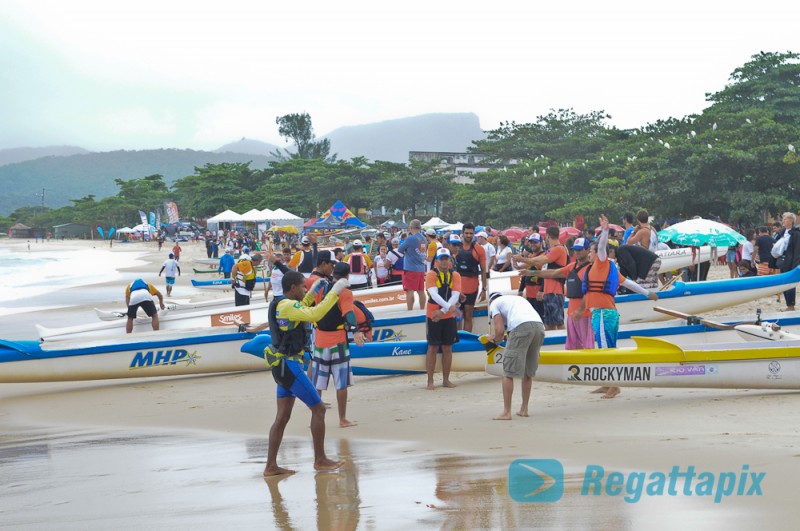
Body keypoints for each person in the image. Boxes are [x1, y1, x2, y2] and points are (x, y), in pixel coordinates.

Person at [240, 271, 348, 476]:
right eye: (303, 287)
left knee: (282, 417)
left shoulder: (282, 303)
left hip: (281, 367)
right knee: (319, 409)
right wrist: (335, 291)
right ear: (292, 288)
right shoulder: (287, 306)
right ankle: (320, 460)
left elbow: (303, 307)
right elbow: (314, 314)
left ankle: (271, 466)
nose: (305, 290)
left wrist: (314, 291)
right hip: (290, 366)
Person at [574, 215, 659, 398]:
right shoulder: (608, 270)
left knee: (605, 350)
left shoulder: (602, 264)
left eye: (591, 251)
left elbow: (602, 246)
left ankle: (614, 386)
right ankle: (607, 384)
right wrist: (647, 293)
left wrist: (604, 231)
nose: (589, 254)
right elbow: (630, 284)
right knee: (608, 348)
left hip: (604, 313)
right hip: (608, 314)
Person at [312, 262, 365, 428]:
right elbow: (348, 312)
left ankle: (315, 418)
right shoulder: (345, 292)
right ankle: (342, 419)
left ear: (333, 274)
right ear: (347, 277)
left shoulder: (321, 288)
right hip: (338, 341)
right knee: (341, 382)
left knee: (317, 383)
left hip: (319, 340)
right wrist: (356, 331)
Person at [487, 292, 545, 420]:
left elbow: (500, 331)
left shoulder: (494, 304)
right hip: (539, 327)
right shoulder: (516, 299)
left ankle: (506, 412)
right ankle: (524, 409)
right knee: (527, 372)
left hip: (522, 326)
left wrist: (495, 340)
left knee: (507, 373)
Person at [533, 237, 595, 349]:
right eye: (575, 250)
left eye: (580, 250)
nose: (577, 252)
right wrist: (531, 272)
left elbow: (590, 293)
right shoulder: (572, 266)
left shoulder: (590, 269)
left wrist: (580, 310)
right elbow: (552, 273)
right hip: (571, 314)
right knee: (572, 347)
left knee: (587, 347)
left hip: (585, 315)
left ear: (587, 250)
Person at [516, 226, 568, 331]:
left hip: (555, 290)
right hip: (549, 291)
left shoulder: (558, 249)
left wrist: (522, 259)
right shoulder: (551, 250)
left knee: (558, 322)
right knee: (549, 323)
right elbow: (536, 261)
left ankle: (561, 343)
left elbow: (539, 261)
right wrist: (525, 267)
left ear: (547, 236)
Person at [424, 248, 462, 390]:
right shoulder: (431, 274)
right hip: (433, 315)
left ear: (450, 260)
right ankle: (430, 381)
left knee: (447, 347)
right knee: (432, 347)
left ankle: (446, 379)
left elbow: (455, 296)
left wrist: (443, 310)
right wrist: (447, 308)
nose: (444, 261)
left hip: (445, 314)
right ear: (437, 261)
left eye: (446, 258)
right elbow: (434, 295)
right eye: (442, 259)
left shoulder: (455, 275)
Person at [453, 223, 487, 332]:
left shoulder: (479, 249)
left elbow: (484, 270)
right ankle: (456, 338)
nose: (468, 235)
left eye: (471, 233)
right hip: (457, 287)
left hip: (472, 286)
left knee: (468, 315)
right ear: (462, 233)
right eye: (466, 233)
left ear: (474, 234)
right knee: (457, 315)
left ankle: (466, 338)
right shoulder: (455, 248)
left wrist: (484, 289)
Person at [771, 212, 800, 311]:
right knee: (783, 283)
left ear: (791, 221)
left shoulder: (796, 233)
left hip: (791, 262)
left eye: (785, 219)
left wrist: (795, 265)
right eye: (783, 219)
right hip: (783, 260)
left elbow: (797, 250)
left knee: (790, 283)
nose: (783, 221)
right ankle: (788, 305)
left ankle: (791, 305)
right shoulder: (783, 232)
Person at [398, 219, 427, 310]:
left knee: (409, 291)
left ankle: (410, 311)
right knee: (421, 291)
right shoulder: (423, 239)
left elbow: (400, 249)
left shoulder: (410, 238)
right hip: (421, 268)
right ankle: (422, 309)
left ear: (411, 227)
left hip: (410, 268)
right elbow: (422, 252)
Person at [515, 233, 545, 317]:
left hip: (539, 293)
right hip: (529, 294)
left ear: (541, 243)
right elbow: (524, 273)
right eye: (531, 242)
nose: (532, 245)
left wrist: (542, 290)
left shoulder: (544, 256)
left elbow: (546, 275)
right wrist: (520, 290)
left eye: (535, 242)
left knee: (541, 319)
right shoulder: (530, 257)